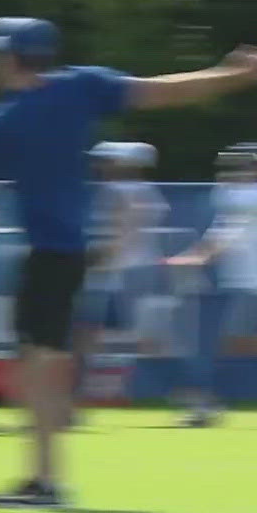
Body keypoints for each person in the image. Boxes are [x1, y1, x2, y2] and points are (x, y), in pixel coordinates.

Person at [0, 17, 257, 507]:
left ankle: (45, 479)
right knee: (47, 361)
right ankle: (45, 477)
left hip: (48, 255)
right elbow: (164, 92)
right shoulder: (82, 87)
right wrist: (236, 75)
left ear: (7, 58)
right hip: (71, 252)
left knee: (40, 365)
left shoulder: (2, 119)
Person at [167, 141, 257, 426]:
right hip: (254, 280)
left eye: (244, 165)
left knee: (223, 343)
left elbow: (226, 234)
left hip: (253, 281)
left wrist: (194, 258)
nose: (236, 172)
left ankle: (205, 403)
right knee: (235, 342)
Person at [73, 141, 168, 405]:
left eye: (107, 160)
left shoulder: (122, 190)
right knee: (115, 335)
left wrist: (98, 260)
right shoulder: (148, 191)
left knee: (96, 332)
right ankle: (103, 389)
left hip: (118, 272)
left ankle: (100, 390)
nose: (100, 166)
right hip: (129, 270)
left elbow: (125, 229)